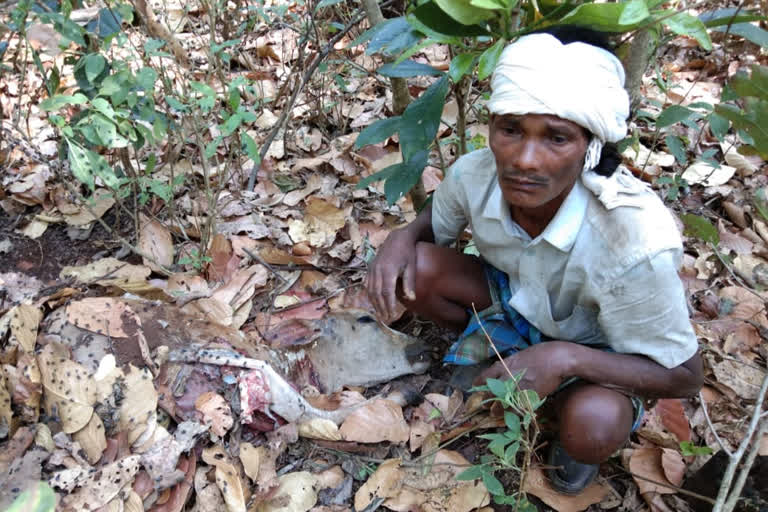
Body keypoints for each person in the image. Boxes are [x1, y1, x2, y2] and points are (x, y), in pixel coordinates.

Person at [366, 27, 703, 496]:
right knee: (417, 269)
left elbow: (686, 375)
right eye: (510, 130)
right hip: (518, 301)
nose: (524, 159)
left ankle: (567, 434)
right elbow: (430, 228)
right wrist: (400, 238)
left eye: (556, 139)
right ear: (493, 127)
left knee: (594, 423)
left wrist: (563, 358)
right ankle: (502, 359)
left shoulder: (634, 239)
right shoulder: (475, 174)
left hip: (599, 350)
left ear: (591, 145)